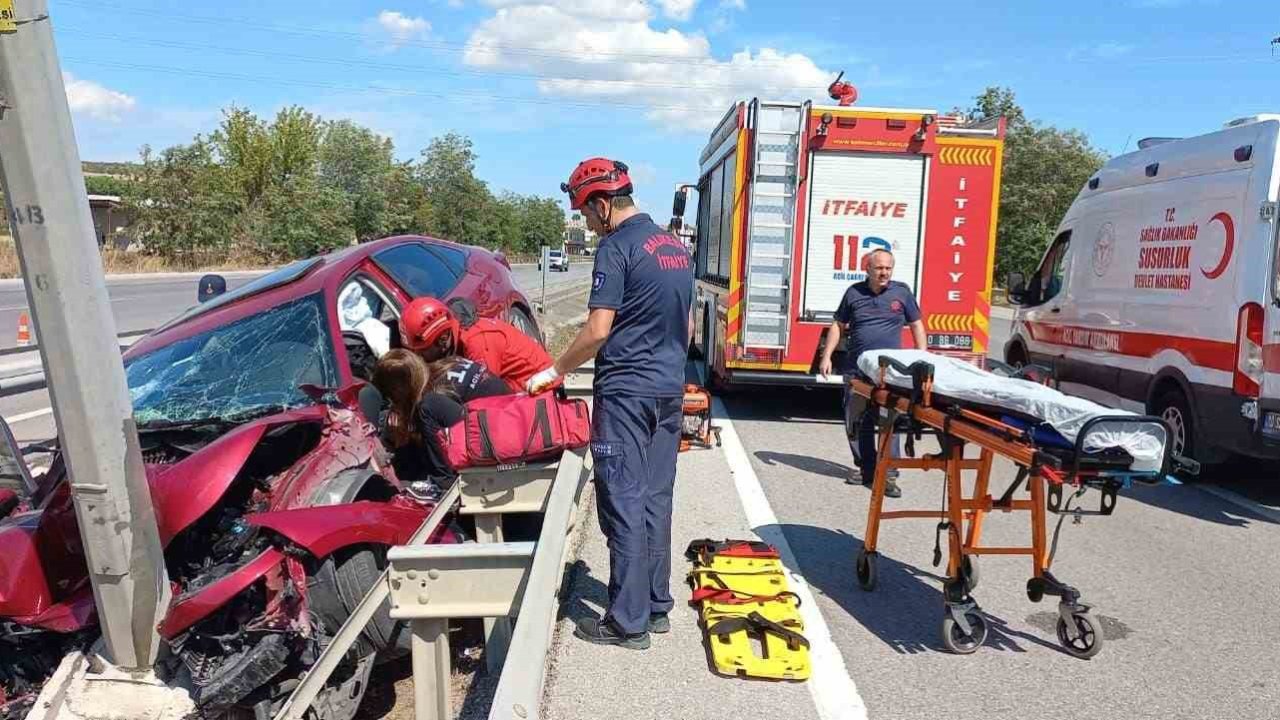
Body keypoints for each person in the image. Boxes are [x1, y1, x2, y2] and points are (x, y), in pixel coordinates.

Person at [525, 157, 693, 651]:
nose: (588, 223)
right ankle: (656, 604)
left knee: (622, 499)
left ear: (602, 203)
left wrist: (555, 369)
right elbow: (684, 327)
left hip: (626, 395)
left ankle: (627, 622)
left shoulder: (618, 248)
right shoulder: (672, 246)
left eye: (586, 213)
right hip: (668, 390)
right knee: (657, 497)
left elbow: (598, 330)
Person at [818, 248, 926, 499]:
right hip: (857, 370)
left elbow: (917, 324)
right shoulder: (854, 293)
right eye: (879, 268)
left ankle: (888, 475)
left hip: (890, 373)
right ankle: (866, 469)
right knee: (856, 421)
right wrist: (826, 356)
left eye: (888, 268)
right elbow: (838, 325)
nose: (884, 272)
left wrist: (922, 356)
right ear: (867, 269)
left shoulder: (902, 293)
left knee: (891, 422)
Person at [398, 297, 553, 392]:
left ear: (442, 339)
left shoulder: (477, 344)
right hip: (515, 386)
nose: (419, 357)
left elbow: (487, 395)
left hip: (539, 391)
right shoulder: (456, 336)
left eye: (422, 352)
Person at [371, 349, 464, 488]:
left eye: (391, 392)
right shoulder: (438, 373)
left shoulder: (434, 397)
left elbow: (441, 438)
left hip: (476, 446)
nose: (392, 399)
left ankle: (441, 485)